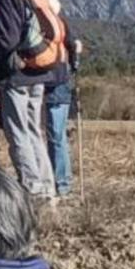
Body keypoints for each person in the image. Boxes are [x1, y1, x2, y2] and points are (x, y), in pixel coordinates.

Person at [0, 0, 63, 198]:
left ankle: (33, 190)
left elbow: (6, 40)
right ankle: (48, 188)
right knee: (33, 131)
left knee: (17, 133)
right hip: (38, 71)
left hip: (15, 75)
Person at [44, 32, 82, 197]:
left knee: (56, 137)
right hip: (63, 85)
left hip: (55, 87)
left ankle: (61, 183)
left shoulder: (51, 27)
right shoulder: (62, 27)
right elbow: (74, 48)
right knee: (58, 137)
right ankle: (62, 180)